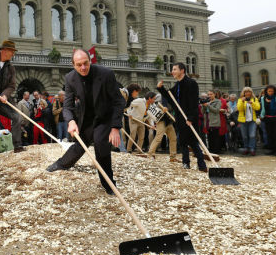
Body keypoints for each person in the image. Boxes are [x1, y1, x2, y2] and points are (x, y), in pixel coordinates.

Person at [45, 49, 125, 195]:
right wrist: (70, 121)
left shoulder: (106, 74)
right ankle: (62, 163)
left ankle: (109, 185)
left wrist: (115, 127)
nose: (83, 68)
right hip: (86, 117)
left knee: (101, 147)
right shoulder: (70, 78)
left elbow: (119, 101)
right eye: (79, 65)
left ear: (90, 61)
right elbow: (67, 106)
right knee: (80, 143)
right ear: (73, 65)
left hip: (104, 117)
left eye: (85, 63)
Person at [157, 62, 208, 172]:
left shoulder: (191, 83)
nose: (172, 71)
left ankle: (202, 164)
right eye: (172, 69)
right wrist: (161, 89)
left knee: (193, 142)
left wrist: (190, 118)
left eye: (175, 69)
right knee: (183, 141)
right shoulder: (177, 85)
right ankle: (186, 163)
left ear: (182, 70)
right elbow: (171, 98)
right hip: (180, 117)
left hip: (190, 117)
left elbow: (194, 103)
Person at [144, 91, 178, 161]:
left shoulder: (171, 98)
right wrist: (163, 108)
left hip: (168, 121)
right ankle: (150, 154)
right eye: (153, 98)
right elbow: (156, 106)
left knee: (173, 138)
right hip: (161, 122)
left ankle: (173, 157)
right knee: (158, 138)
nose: (154, 99)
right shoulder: (159, 98)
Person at [260, 84, 276, 155]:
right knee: (269, 134)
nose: (270, 92)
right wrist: (262, 116)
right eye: (269, 91)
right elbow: (263, 108)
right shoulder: (263, 98)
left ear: (274, 91)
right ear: (266, 91)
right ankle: (271, 149)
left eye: (272, 91)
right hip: (268, 118)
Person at [236, 87, 261, 155]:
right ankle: (246, 148)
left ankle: (252, 148)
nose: (247, 93)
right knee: (244, 136)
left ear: (251, 92)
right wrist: (242, 101)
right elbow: (239, 109)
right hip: (243, 121)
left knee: (252, 135)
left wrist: (252, 103)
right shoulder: (240, 99)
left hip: (252, 120)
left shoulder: (255, 99)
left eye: (249, 92)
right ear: (243, 93)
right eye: (246, 92)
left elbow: (258, 107)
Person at [124, 84, 146, 153]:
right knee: (132, 135)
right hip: (134, 119)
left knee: (141, 136)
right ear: (133, 91)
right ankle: (128, 149)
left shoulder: (148, 104)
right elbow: (129, 106)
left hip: (141, 120)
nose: (138, 94)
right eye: (137, 92)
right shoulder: (136, 100)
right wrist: (129, 113)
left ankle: (139, 150)